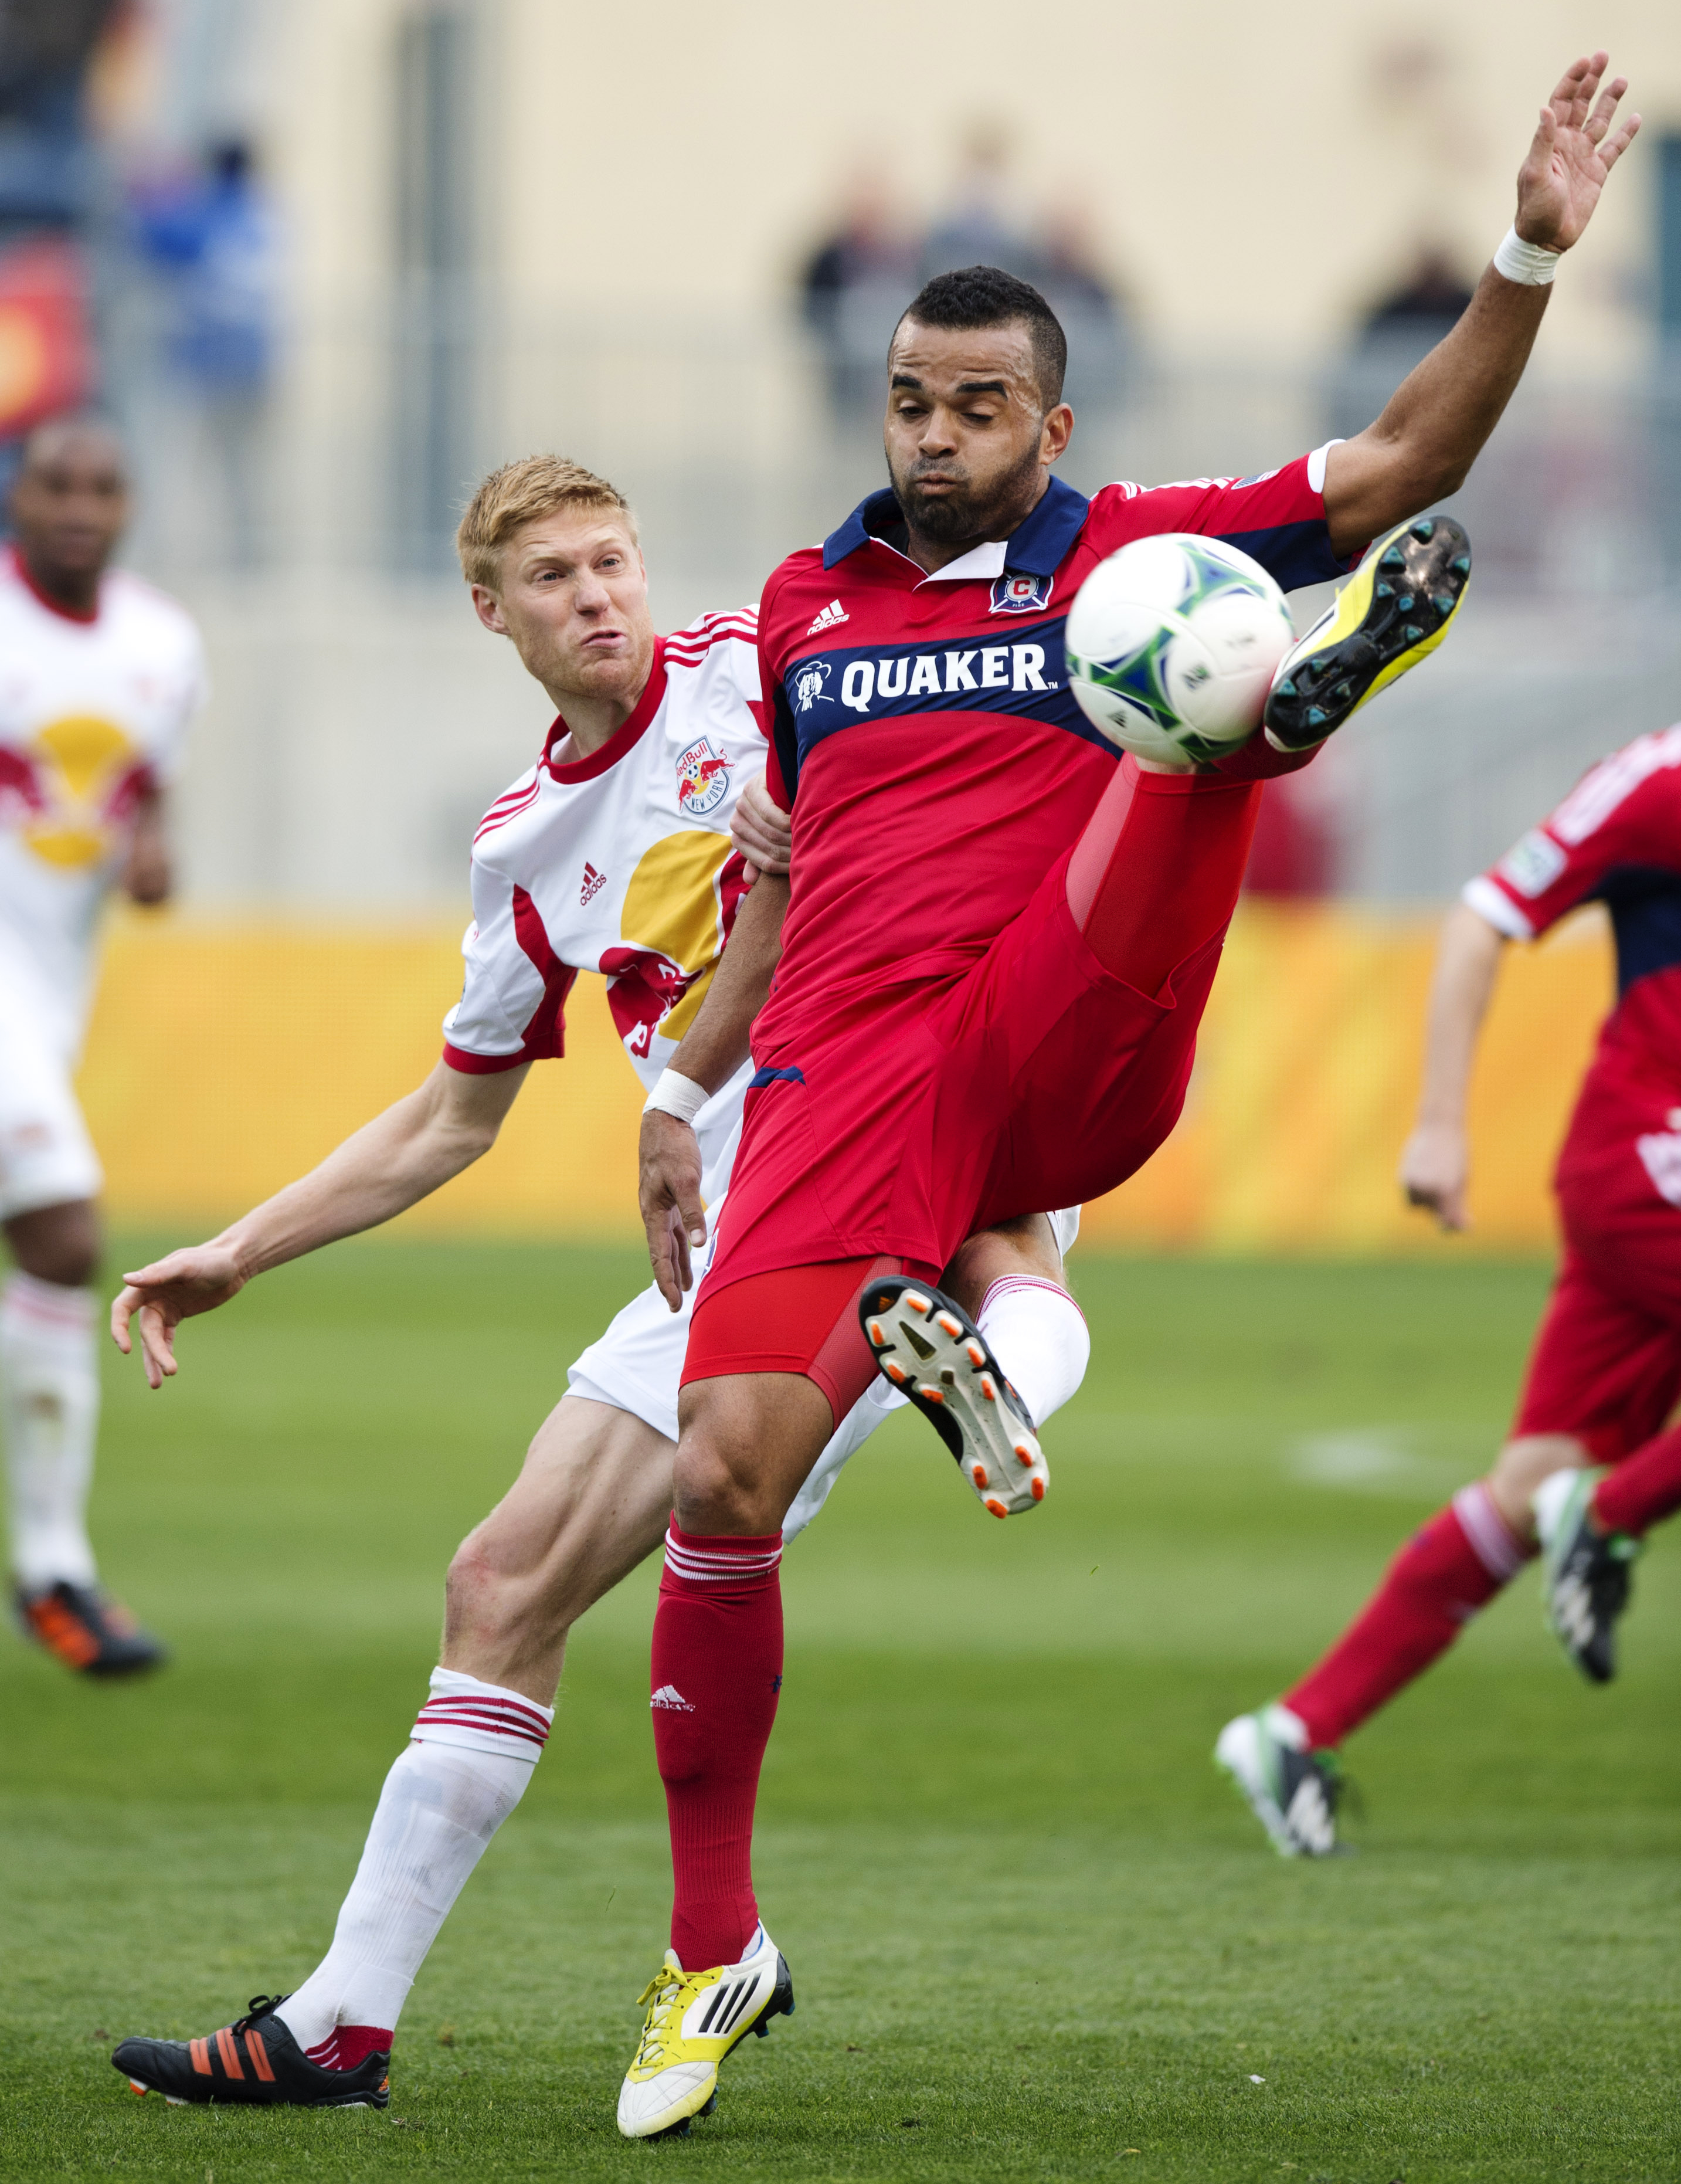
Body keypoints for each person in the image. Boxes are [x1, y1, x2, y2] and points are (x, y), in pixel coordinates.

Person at [617, 52, 1638, 2139]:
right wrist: (669, 1087)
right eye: (909, 398)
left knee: (1165, 666)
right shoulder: (804, 610)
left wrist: (1525, 254)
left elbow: (1391, 453)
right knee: (719, 1476)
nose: (931, 434)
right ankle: (711, 1949)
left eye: (976, 405)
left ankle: (1277, 699)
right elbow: (771, 887)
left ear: (1050, 422)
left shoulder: (1132, 540)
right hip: (843, 1066)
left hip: (1067, 1002)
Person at [104, 455, 1091, 2109]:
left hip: (884, 1101)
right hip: (740, 1211)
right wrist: (237, 1246)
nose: (596, 596)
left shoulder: (762, 665)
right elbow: (449, 1117)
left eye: (611, 560)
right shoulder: (524, 843)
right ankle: (343, 2021)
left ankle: (996, 1367)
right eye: (553, 576)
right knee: (498, 1583)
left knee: (988, 1219)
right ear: (491, 611)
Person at [1219, 715, 1681, 1854]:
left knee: (1533, 1477)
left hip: (1637, 1173)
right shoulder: (1658, 781)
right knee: (1576, 1490)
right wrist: (1437, 1123)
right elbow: (1487, 915)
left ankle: (1293, 1727)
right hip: (1648, 1152)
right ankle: (1614, 1515)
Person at [1, 413, 204, 1676]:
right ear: (19, 498)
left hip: (51, 989)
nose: (81, 504)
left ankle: (52, 1568)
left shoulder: (163, 643)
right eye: (57, 483)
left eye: (105, 486)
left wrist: (151, 847)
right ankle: (54, 1563)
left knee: (46, 1247)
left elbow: (148, 793)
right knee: (68, 1230)